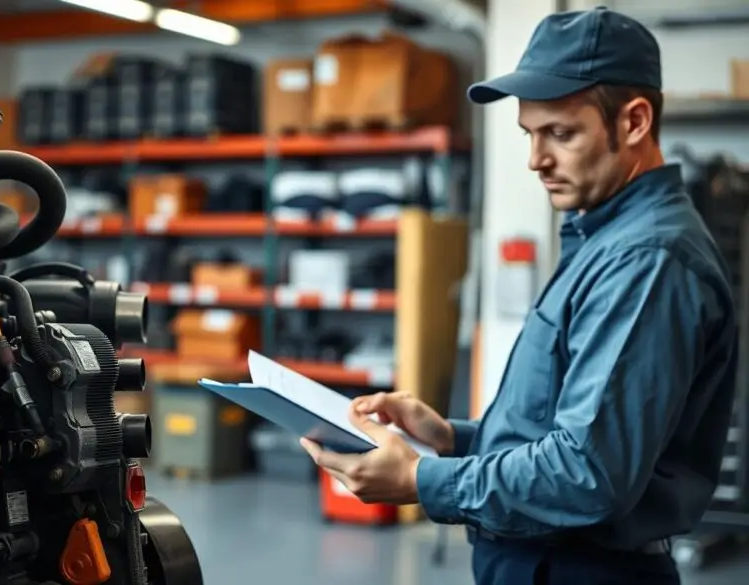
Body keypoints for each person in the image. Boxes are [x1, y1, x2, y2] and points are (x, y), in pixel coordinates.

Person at [301, 7, 739, 585]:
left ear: (634, 122)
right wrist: (451, 438)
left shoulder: (646, 261)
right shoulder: (603, 237)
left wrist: (420, 480)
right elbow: (575, 432)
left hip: (582, 569)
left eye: (560, 133)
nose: (536, 160)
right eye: (531, 134)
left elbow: (588, 473)